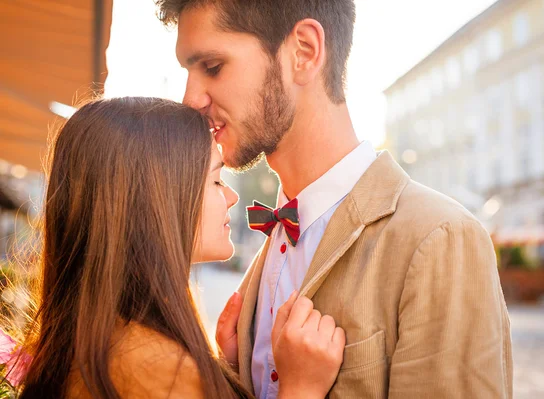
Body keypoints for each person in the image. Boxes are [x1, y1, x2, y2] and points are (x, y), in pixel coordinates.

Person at [157, 0, 514, 397]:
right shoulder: (268, 250)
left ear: (304, 52)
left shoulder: (440, 239)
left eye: (212, 67)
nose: (191, 99)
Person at [18, 97, 345, 399]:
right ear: (156, 200)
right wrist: (301, 388)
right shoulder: (155, 369)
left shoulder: (109, 341)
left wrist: (224, 371)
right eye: (216, 181)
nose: (231, 197)